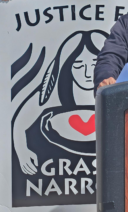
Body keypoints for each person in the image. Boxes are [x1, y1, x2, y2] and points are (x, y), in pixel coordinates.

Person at [12, 30, 108, 175]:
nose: (87, 73)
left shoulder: (115, 91)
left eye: (94, 63)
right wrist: (22, 152)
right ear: (66, 66)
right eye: (78, 66)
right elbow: (19, 124)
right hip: (54, 176)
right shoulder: (50, 94)